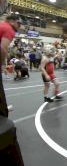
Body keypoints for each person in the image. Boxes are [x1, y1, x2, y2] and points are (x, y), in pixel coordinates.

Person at [0, 14, 24, 166]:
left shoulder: (2, 25)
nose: (20, 26)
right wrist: (2, 64)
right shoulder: (9, 29)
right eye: (19, 23)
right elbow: (2, 48)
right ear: (14, 21)